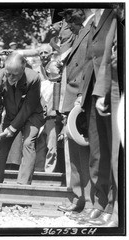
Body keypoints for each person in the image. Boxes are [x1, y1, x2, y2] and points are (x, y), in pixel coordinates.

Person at [74, 8, 117, 225]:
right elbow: (88, 60)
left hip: (113, 90)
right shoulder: (93, 19)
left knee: (114, 152)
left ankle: (114, 206)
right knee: (97, 152)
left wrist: (106, 90)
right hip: (92, 93)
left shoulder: (117, 11)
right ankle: (99, 203)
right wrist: (82, 93)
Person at [56, 9, 94, 214]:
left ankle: (88, 201)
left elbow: (89, 66)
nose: (67, 23)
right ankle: (79, 198)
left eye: (69, 16)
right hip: (72, 101)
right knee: (75, 156)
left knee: (85, 154)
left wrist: (81, 96)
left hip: (81, 101)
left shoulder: (94, 28)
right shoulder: (79, 31)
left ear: (81, 10)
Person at [0, 52, 45, 184]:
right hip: (11, 114)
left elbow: (28, 107)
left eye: (15, 74)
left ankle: (22, 186)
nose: (11, 77)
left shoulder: (33, 78)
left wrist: (12, 128)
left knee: (28, 143)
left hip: (33, 114)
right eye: (8, 73)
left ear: (23, 69)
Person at [34, 44, 60, 173]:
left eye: (46, 53)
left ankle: (49, 172)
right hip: (38, 114)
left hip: (52, 114)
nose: (43, 55)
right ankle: (38, 170)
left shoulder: (56, 67)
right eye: (41, 53)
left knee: (51, 145)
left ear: (51, 54)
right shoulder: (35, 70)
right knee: (39, 143)